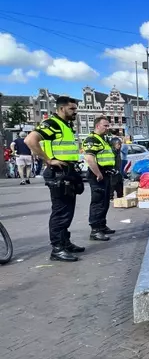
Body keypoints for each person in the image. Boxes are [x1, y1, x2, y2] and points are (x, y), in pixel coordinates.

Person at [24, 96, 85, 262]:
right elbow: (30, 140)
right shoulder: (51, 124)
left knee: (68, 210)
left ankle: (65, 242)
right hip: (58, 173)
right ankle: (57, 249)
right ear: (61, 108)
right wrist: (48, 160)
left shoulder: (66, 125)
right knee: (61, 212)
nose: (75, 112)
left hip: (67, 172)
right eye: (72, 109)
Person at [83, 116, 117, 241]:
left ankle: (102, 225)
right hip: (98, 174)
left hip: (105, 174)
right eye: (105, 126)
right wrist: (98, 173)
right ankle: (95, 230)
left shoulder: (102, 139)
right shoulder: (92, 139)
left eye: (108, 125)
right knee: (98, 202)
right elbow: (89, 158)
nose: (108, 128)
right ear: (97, 126)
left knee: (105, 202)